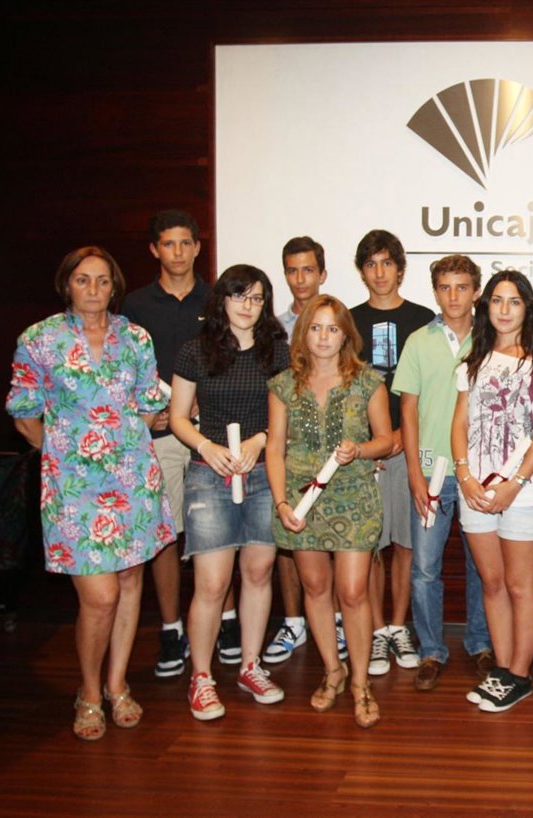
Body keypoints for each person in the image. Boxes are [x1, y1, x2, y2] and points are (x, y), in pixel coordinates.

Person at [7, 246, 176, 740]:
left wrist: (123, 441)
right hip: (73, 488)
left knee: (129, 580)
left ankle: (117, 684)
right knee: (99, 596)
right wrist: (65, 455)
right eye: (83, 280)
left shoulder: (135, 338)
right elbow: (24, 413)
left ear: (114, 287)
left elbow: (149, 403)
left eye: (103, 281)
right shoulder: (39, 339)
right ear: (67, 285)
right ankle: (88, 691)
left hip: (132, 478)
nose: (94, 290)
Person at [266, 295, 394, 728]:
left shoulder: (368, 383)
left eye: (332, 329)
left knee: (353, 592)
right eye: (315, 328)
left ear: (346, 336)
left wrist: (360, 450)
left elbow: (387, 440)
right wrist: (282, 502)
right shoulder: (284, 385)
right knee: (315, 588)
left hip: (354, 498)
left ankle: (360, 682)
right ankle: (333, 671)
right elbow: (274, 448)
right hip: (301, 501)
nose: (323, 337)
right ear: (303, 334)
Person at [169, 264, 289, 720]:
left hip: (263, 474)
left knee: (258, 572)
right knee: (213, 583)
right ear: (222, 299)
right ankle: (201, 677)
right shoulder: (196, 350)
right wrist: (207, 446)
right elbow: (178, 416)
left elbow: (286, 417)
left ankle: (251, 666)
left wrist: (261, 440)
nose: (247, 306)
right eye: (240, 296)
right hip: (209, 473)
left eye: (257, 298)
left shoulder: (277, 351)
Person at [122, 209, 239, 677]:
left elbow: (232, 362)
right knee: (166, 533)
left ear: (197, 247)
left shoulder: (217, 300)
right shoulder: (134, 305)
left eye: (186, 243)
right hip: (161, 435)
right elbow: (127, 370)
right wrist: (150, 412)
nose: (178, 252)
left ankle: (226, 621)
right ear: (155, 249)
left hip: (213, 434)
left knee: (219, 534)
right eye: (168, 244)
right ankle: (171, 628)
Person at [452, 270, 533, 712]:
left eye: (514, 301)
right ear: (486, 306)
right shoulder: (473, 360)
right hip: (476, 491)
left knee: (520, 585)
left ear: (527, 309)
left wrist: (514, 485)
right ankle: (501, 669)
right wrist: (464, 476)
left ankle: (519, 674)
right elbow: (459, 423)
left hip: (523, 492)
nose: (504, 309)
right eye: (497, 300)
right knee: (492, 584)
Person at [392, 254, 493, 691]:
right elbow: (408, 410)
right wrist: (414, 473)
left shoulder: (492, 338)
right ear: (435, 292)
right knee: (425, 568)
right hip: (431, 473)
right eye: (445, 288)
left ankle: (481, 643)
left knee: (481, 566)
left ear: (476, 292)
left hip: (479, 474)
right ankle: (432, 650)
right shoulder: (418, 341)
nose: (453, 296)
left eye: (462, 287)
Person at [350, 229, 434, 676]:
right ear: (361, 271)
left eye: (387, 263)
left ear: (400, 269)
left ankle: (398, 627)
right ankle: (376, 630)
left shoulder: (424, 319)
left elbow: (434, 387)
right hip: (363, 452)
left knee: (404, 542)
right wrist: (370, 442)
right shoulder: (348, 321)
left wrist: (401, 434)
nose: (380, 272)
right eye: (371, 264)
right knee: (370, 546)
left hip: (409, 446)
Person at [264, 235, 329, 666]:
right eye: (293, 270)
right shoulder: (272, 328)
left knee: (341, 545)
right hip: (288, 449)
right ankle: (293, 621)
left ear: (322, 273)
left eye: (308, 270)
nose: (301, 278)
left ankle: (336, 621)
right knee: (290, 539)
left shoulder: (337, 318)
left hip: (335, 453)